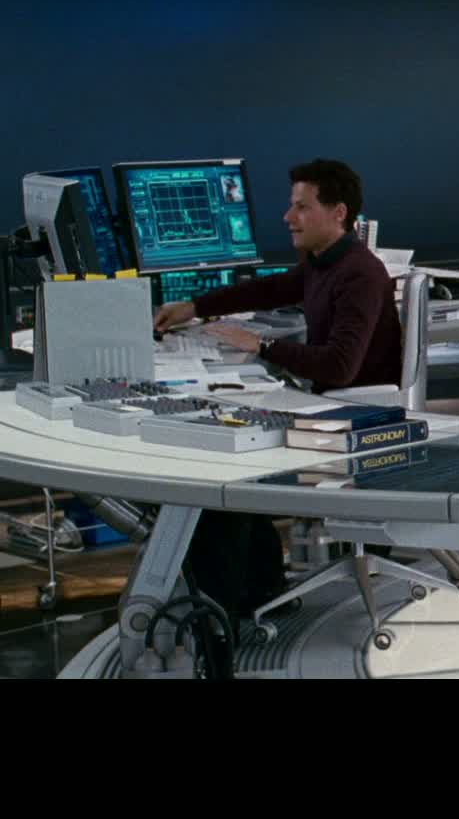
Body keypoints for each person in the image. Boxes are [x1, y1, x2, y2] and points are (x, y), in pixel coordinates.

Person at [151, 158, 405, 618]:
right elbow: (271, 290)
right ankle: (259, 592)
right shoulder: (324, 262)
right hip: (327, 409)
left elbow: (340, 367)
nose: (288, 217)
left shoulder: (360, 274)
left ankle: (223, 618)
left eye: (302, 207)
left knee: (224, 478)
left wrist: (262, 345)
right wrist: (194, 307)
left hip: (350, 427)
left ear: (338, 213)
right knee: (229, 464)